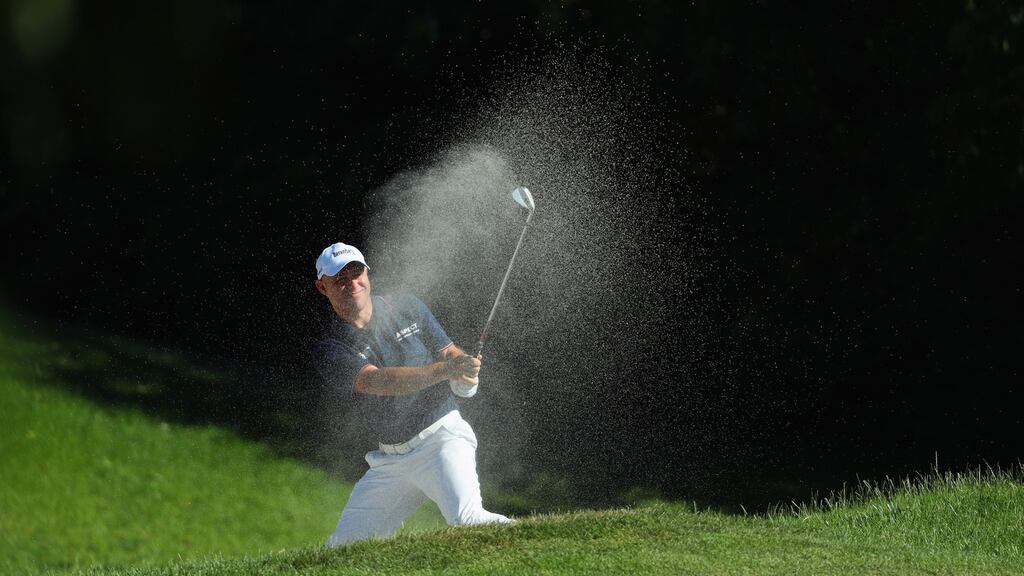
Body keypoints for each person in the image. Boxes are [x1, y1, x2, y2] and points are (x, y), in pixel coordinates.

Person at [312, 241, 513, 545]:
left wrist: (464, 373)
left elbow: (448, 352)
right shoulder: (331, 347)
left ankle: (546, 540)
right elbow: (379, 382)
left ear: (368, 274)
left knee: (468, 520)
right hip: (391, 462)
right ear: (322, 287)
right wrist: (448, 370)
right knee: (340, 548)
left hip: (442, 440)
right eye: (339, 278)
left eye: (356, 273)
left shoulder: (407, 306)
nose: (351, 283)